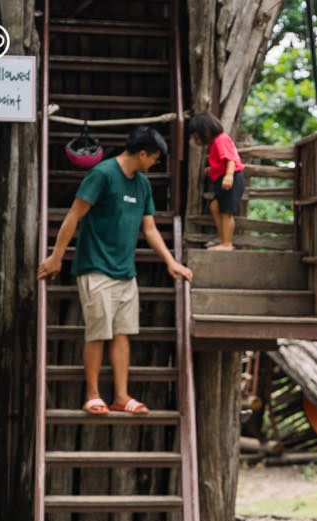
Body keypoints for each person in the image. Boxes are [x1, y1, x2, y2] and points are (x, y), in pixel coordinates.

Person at [37, 126, 193, 415]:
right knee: (98, 333)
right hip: (95, 267)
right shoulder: (102, 174)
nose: (154, 164)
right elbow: (74, 215)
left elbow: (149, 228)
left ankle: (121, 396)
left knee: (122, 334)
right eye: (154, 158)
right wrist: (56, 257)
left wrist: (171, 262)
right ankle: (93, 394)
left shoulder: (142, 184)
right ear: (143, 152)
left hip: (125, 272)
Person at [188, 111, 246, 251]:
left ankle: (227, 244)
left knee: (226, 212)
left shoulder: (221, 139)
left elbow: (230, 159)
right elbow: (221, 162)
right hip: (224, 179)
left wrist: (228, 175)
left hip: (232, 178)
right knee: (215, 207)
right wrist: (212, 169)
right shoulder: (215, 143)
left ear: (204, 130)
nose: (195, 138)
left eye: (196, 134)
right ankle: (221, 237)